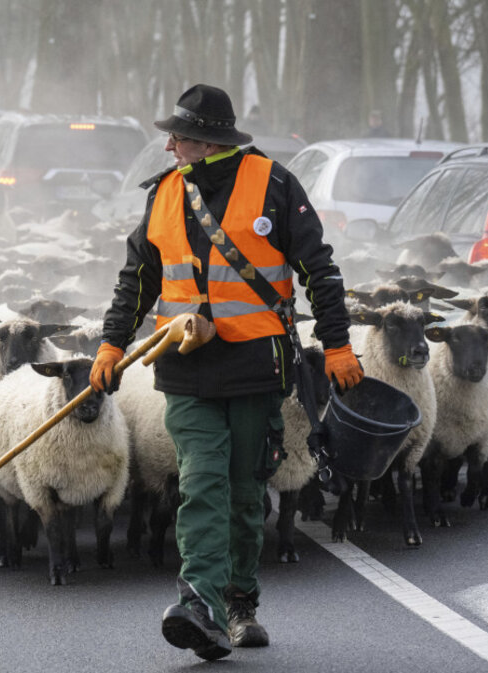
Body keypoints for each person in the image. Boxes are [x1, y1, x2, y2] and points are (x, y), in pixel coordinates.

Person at [90, 84, 361, 662]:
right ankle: (200, 604)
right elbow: (137, 276)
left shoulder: (276, 185)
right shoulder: (164, 193)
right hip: (185, 369)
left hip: (256, 367)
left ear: (208, 141)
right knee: (202, 483)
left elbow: (319, 269)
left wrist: (337, 345)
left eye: (178, 137)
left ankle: (240, 603)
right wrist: (112, 342)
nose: (169, 147)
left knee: (243, 492)